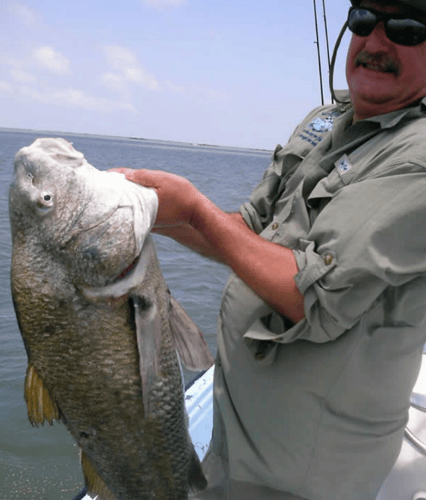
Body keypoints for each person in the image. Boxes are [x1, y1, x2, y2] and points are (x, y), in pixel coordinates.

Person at [116, 0, 426, 498]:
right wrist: (152, 211)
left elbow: (313, 295)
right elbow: (247, 232)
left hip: (303, 476)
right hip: (236, 444)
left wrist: (192, 208)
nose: (376, 42)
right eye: (365, 21)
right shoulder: (325, 122)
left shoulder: (418, 157)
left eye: (408, 28)